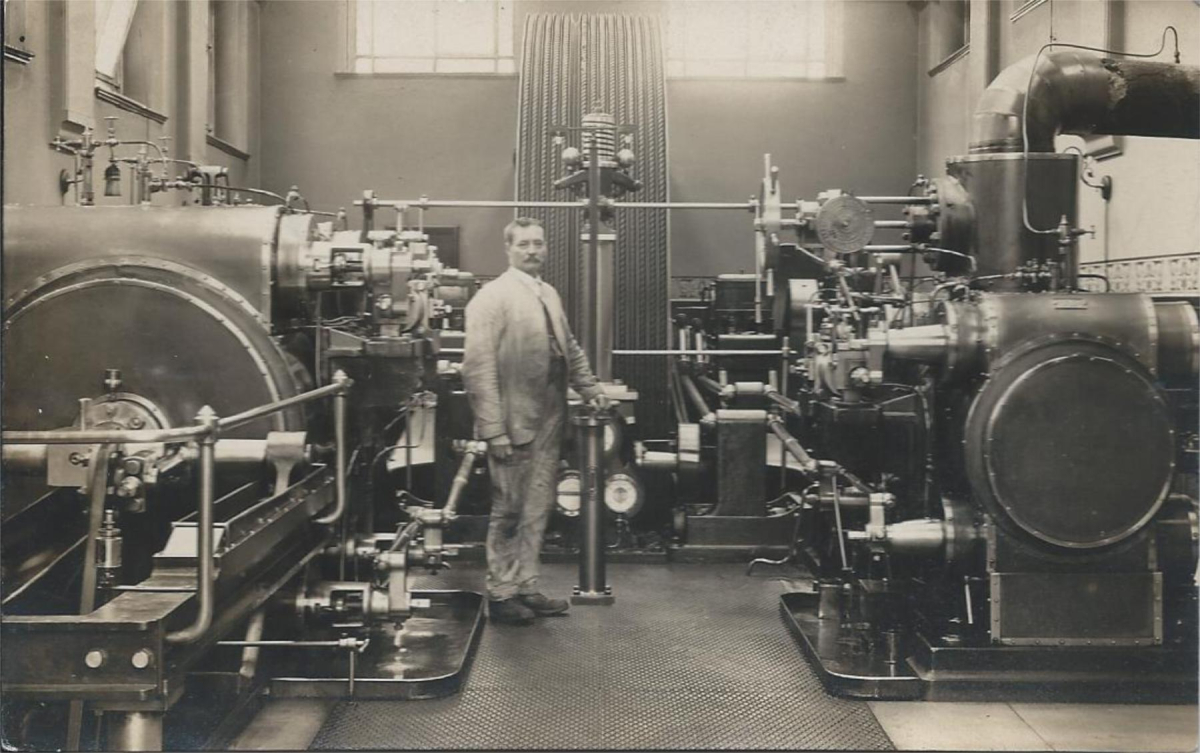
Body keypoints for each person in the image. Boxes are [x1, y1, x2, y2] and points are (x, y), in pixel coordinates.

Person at [462, 217, 609, 625]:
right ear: (508, 249)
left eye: (538, 244)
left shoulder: (548, 294)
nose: (532, 250)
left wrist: (590, 387)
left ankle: (526, 584)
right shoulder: (491, 298)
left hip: (549, 417)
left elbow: (569, 347)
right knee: (508, 509)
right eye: (524, 244)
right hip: (512, 421)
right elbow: (477, 370)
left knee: (537, 507)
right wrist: (493, 429)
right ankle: (501, 592)